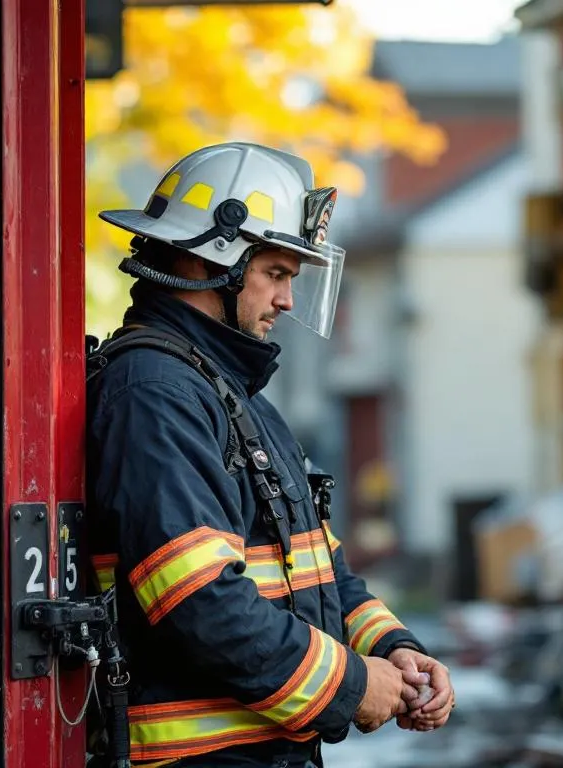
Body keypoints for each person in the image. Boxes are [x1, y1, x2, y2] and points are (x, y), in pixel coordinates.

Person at [85, 142, 455, 768]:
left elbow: (320, 570)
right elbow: (199, 601)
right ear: (210, 265)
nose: (287, 301)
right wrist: (351, 686)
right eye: (277, 275)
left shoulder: (229, 393)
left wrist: (393, 646)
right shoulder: (155, 394)